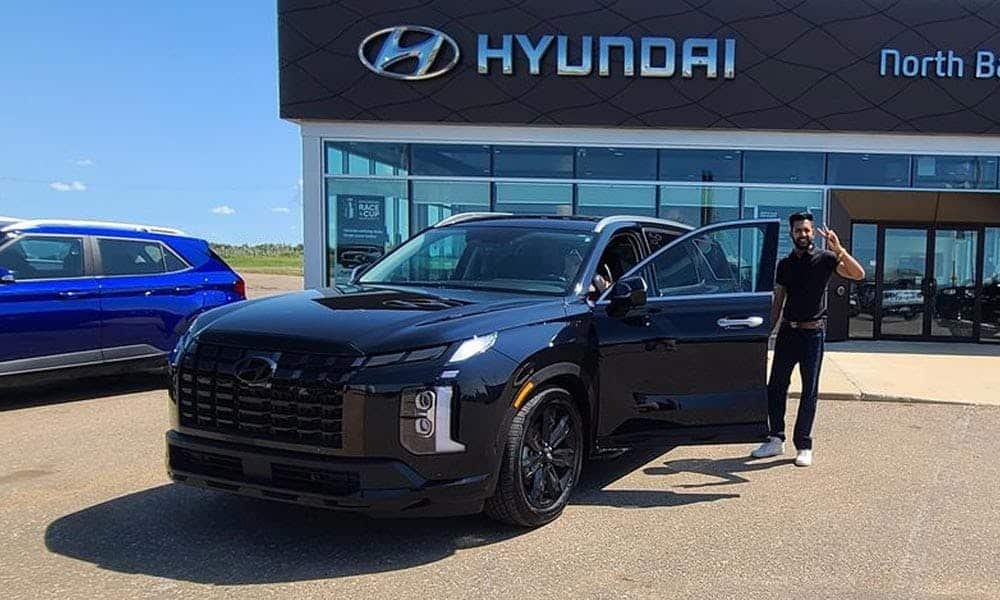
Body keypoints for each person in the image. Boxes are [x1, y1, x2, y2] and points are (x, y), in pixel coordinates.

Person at [751, 212, 865, 466]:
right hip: (788, 333)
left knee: (809, 390)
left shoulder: (826, 258)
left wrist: (839, 249)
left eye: (806, 230)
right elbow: (778, 301)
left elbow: (858, 274)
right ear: (791, 233)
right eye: (798, 230)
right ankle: (775, 439)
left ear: (813, 232)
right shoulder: (785, 264)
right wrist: (767, 333)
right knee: (776, 386)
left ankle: (803, 445)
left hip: (813, 334)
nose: (803, 234)